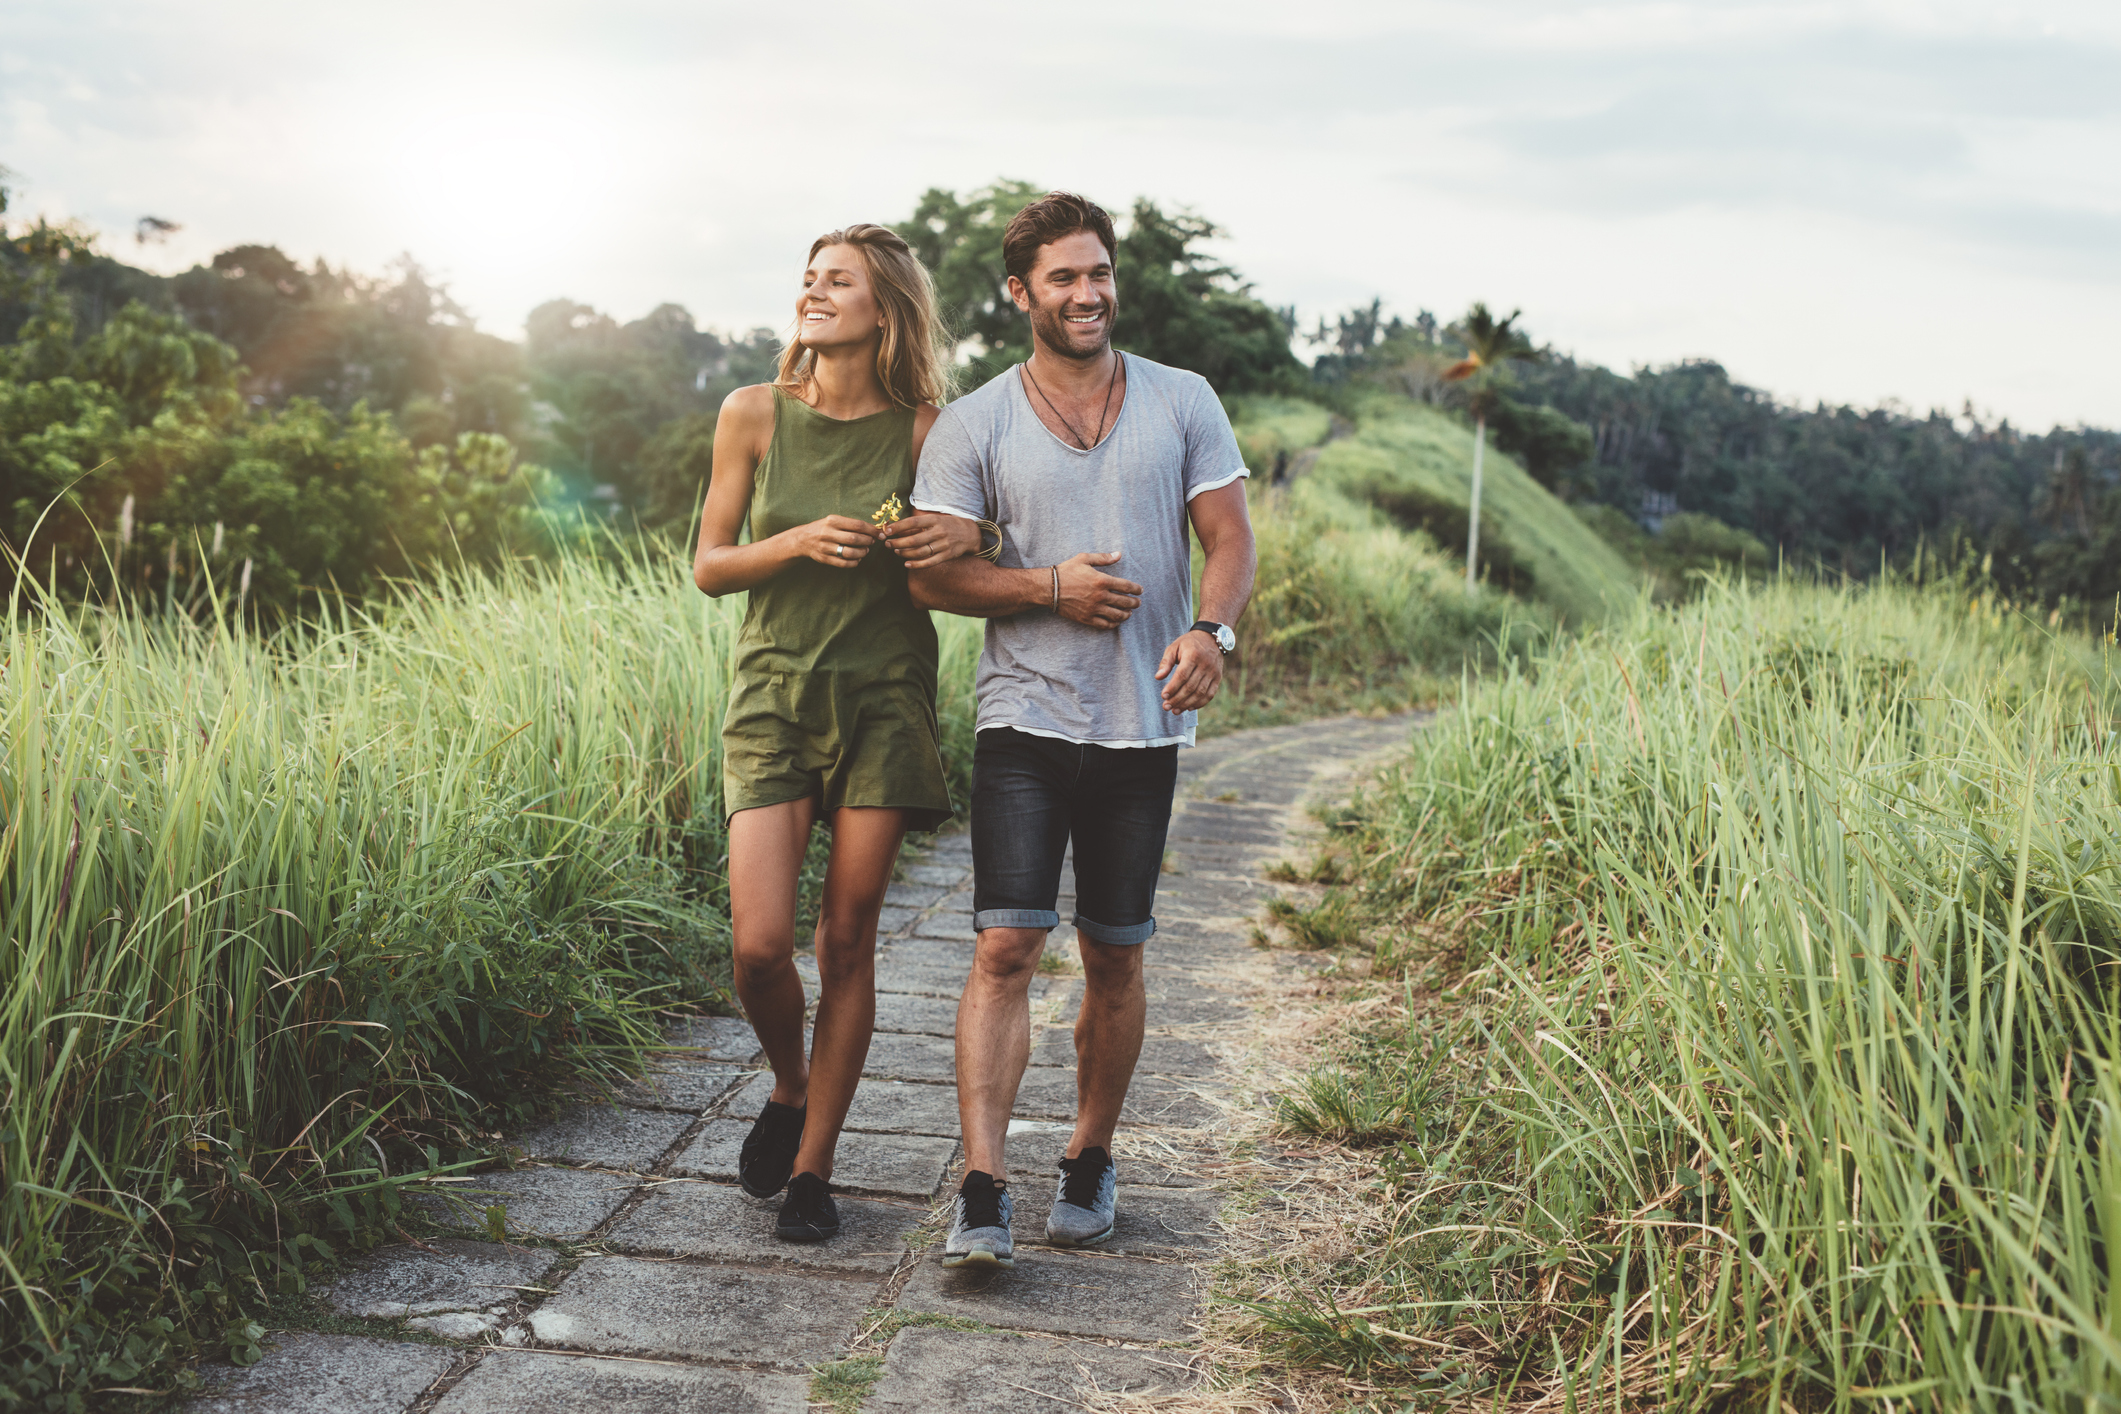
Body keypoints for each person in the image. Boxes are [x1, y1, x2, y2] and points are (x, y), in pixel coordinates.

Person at [907, 191, 1258, 1268]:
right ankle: (981, 1185)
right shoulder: (976, 421)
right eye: (1062, 277)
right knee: (1007, 942)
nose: (1087, 292)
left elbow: (1230, 537)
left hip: (1143, 725)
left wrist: (1213, 632)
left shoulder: (1182, 398)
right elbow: (937, 575)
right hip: (1025, 714)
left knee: (1115, 952)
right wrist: (1048, 588)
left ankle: (1090, 1155)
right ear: (1020, 293)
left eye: (1098, 272)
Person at [693, 223, 979, 1242]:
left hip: (884, 699)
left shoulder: (926, 432)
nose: (813, 294)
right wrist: (797, 541)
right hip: (772, 694)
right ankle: (787, 1080)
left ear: (883, 309)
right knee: (760, 945)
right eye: (809, 279)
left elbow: (970, 549)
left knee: (847, 940)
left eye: (837, 282)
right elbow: (710, 563)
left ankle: (813, 1171)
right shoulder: (754, 413)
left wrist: (961, 532)